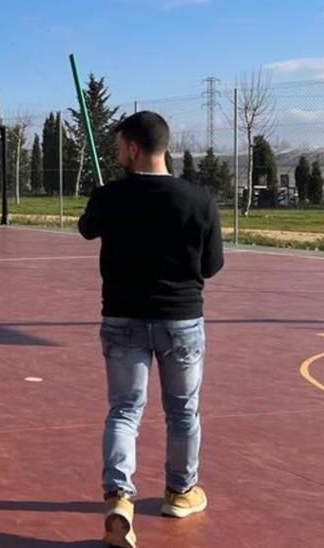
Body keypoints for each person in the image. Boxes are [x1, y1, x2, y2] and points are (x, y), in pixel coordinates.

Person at [78, 111, 223, 548]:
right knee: (182, 411)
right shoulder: (199, 200)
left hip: (122, 319)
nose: (118, 153)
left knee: (125, 410)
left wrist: (106, 201)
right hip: (181, 319)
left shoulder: (110, 196)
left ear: (134, 148)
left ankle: (118, 496)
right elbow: (211, 266)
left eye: (120, 146)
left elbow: (87, 230)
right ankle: (180, 491)